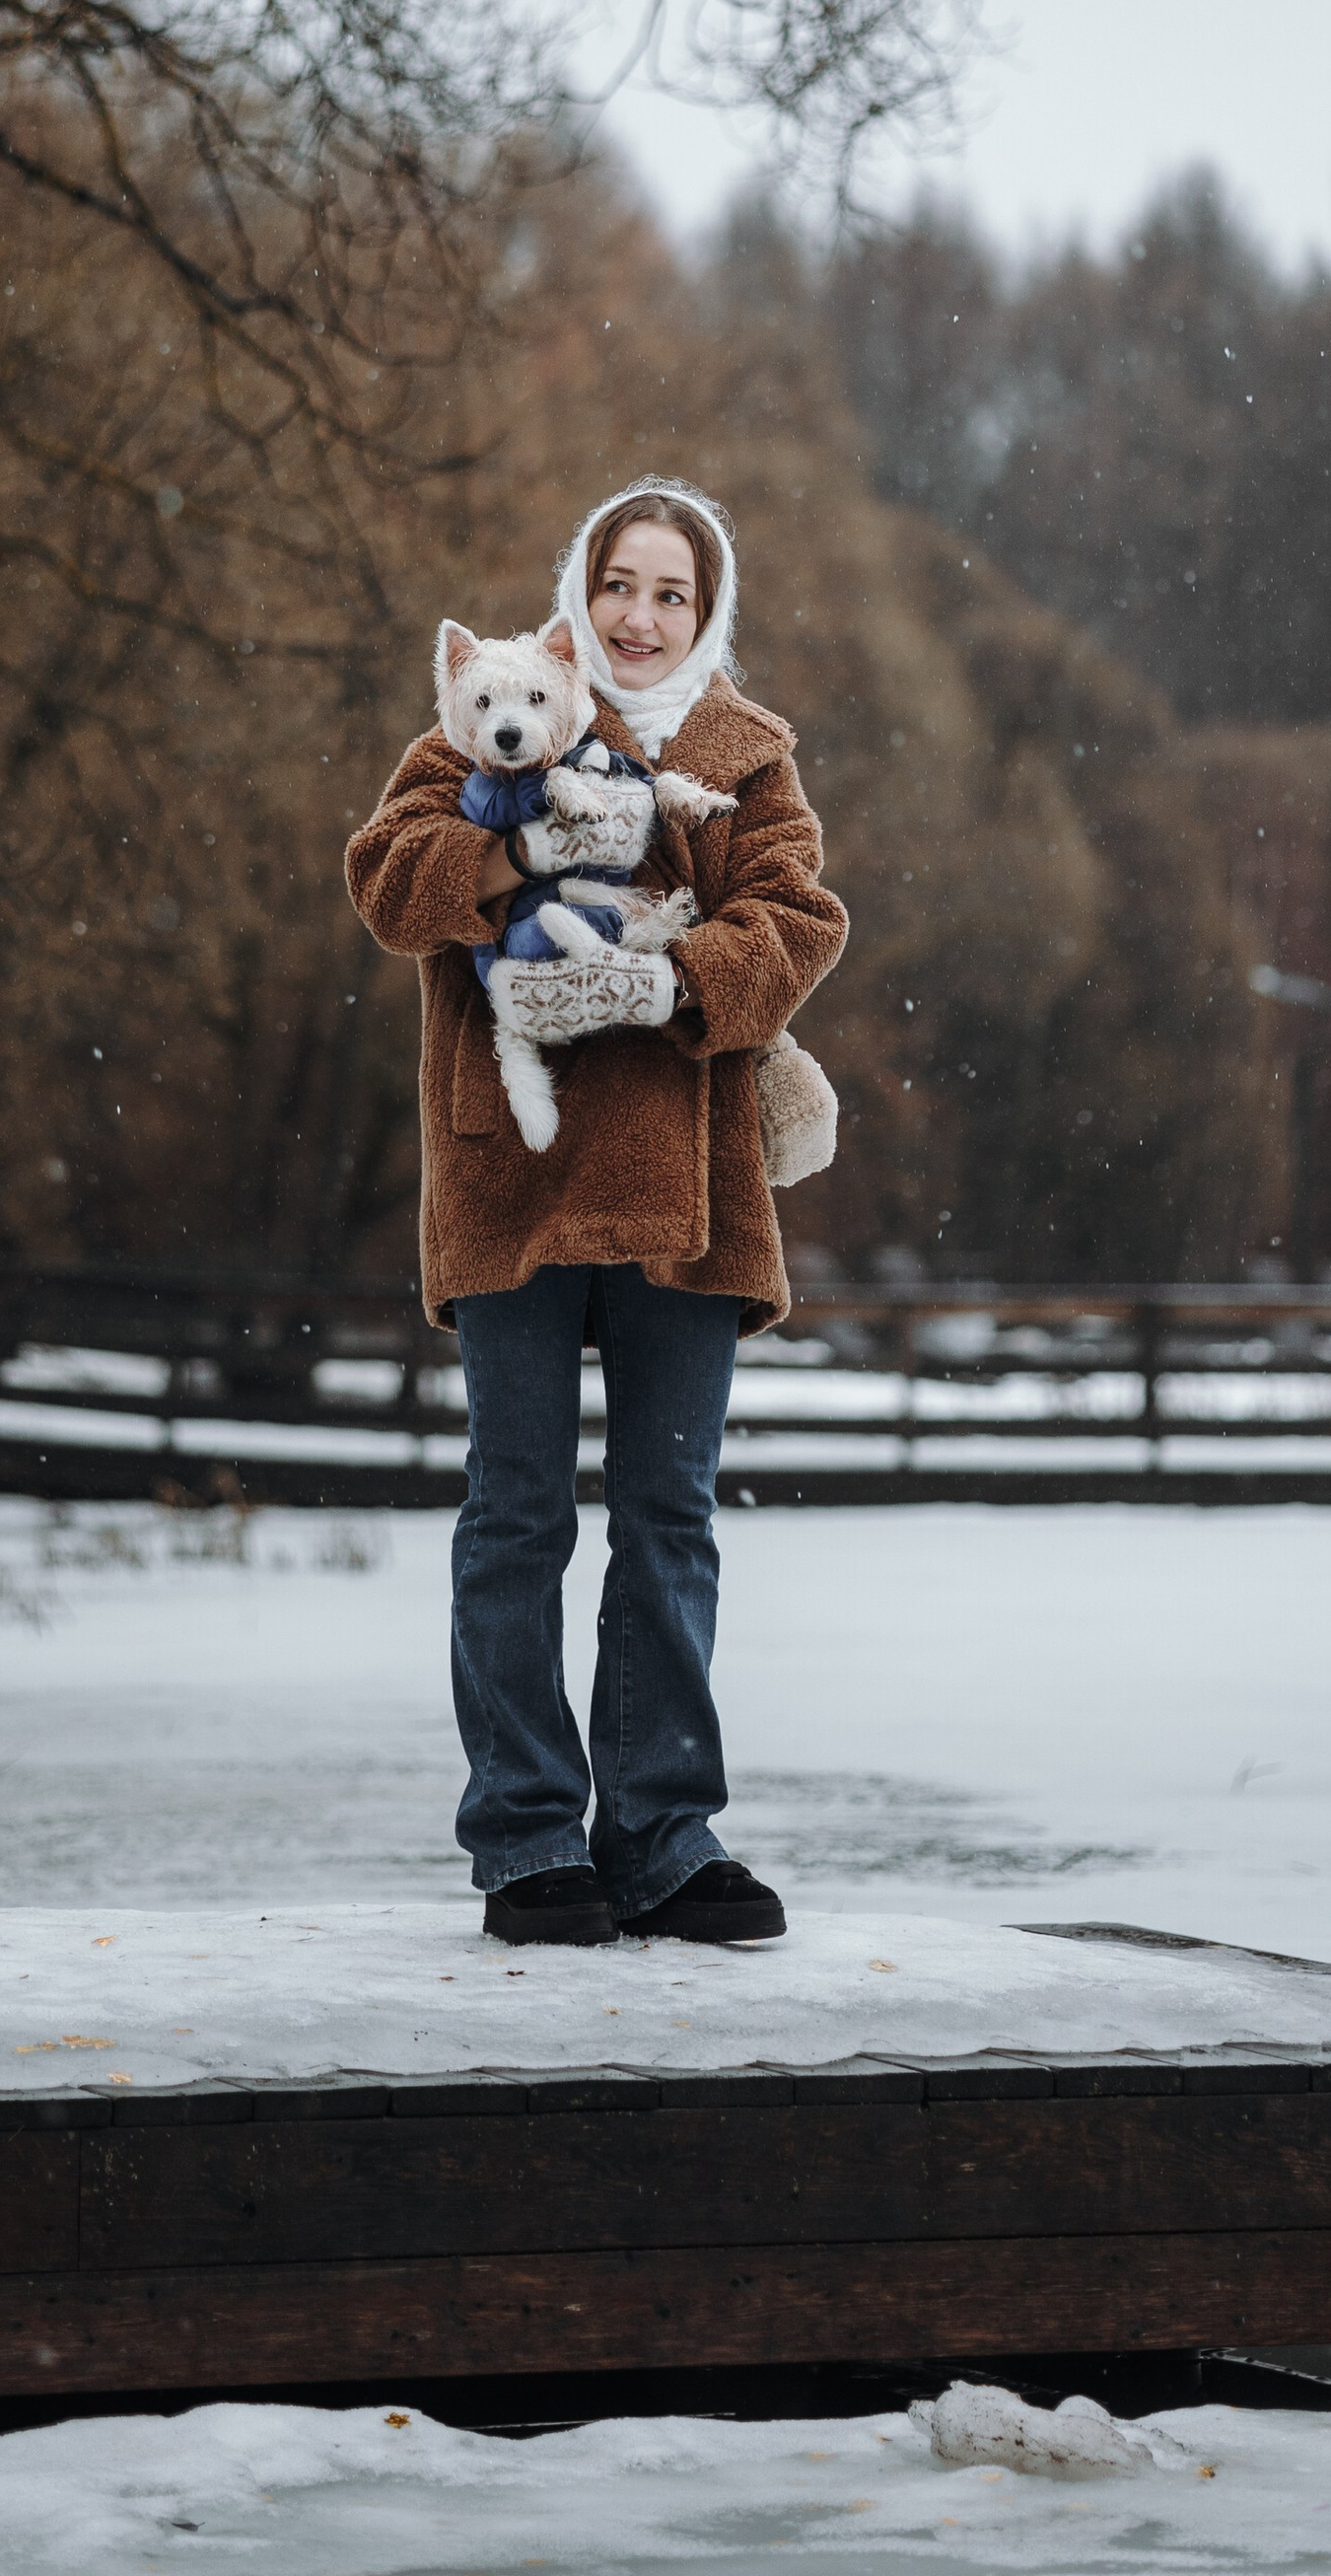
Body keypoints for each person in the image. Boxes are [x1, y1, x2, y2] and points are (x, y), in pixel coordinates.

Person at [345, 480, 847, 1948]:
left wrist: (673, 983)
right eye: (618, 584)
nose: (639, 616)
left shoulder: (753, 761)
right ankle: (524, 1839)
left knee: (666, 1514)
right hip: (513, 1160)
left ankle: (666, 1837)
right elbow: (386, 878)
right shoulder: (488, 710)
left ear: (708, 614)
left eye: (671, 594)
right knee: (515, 1515)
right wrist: (522, 857)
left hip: (690, 1182)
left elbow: (799, 919)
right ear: (581, 589)